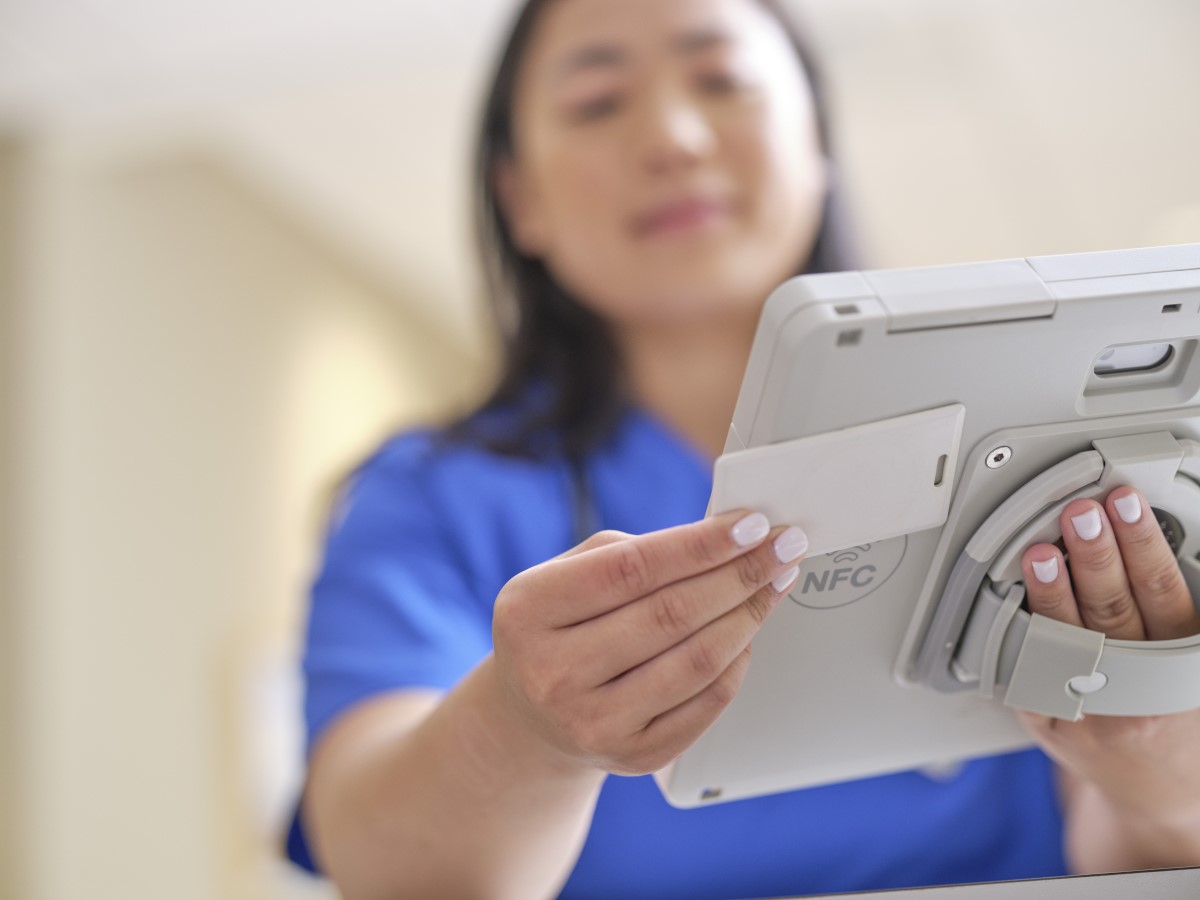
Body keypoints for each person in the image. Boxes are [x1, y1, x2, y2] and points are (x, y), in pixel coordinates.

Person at [289, 1, 1200, 897]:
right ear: (521, 199)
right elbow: (385, 866)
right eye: (598, 101)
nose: (674, 138)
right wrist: (522, 730)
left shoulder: (1029, 431)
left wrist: (1151, 760)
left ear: (817, 146)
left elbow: (1128, 852)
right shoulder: (432, 496)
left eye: (722, 79)